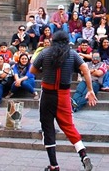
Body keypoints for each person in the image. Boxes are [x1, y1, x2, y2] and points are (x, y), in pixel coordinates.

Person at [30, 30, 95, 171]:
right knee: (69, 126)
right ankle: (83, 154)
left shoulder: (45, 53)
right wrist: (90, 89)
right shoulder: (72, 55)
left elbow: (32, 71)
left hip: (47, 94)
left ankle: (54, 165)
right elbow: (85, 69)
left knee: (47, 128)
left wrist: (44, 70)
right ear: (67, 41)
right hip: (64, 95)